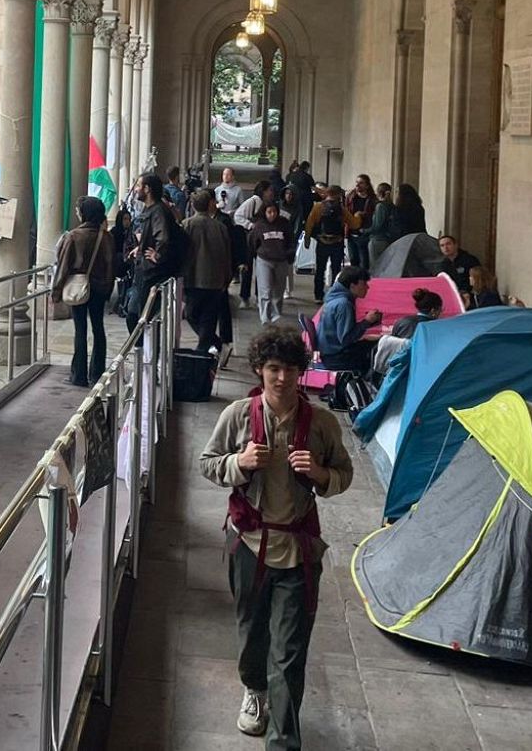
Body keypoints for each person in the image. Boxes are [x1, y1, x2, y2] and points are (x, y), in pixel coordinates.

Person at [198, 326, 354, 749]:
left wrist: (319, 474)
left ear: (302, 372)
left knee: (289, 650)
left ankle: (283, 740)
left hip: (298, 548)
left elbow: (344, 473)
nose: (282, 378)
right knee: (251, 630)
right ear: (259, 370)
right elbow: (208, 463)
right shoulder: (238, 415)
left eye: (290, 369)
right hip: (248, 542)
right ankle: (254, 689)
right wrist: (240, 462)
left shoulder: (321, 424)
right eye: (273, 368)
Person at [51, 197, 113, 386]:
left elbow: (63, 266)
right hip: (99, 288)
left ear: (85, 213)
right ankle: (97, 373)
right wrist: (108, 289)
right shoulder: (106, 237)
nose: (77, 213)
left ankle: (78, 375)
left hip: (78, 287)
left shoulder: (73, 236)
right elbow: (111, 265)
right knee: (98, 328)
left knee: (80, 329)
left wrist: (56, 292)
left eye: (79, 210)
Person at [124, 173, 180, 328]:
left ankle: (141, 343)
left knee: (137, 315)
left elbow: (163, 238)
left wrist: (158, 255)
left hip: (151, 273)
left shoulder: (157, 211)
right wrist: (141, 247)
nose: (135, 189)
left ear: (147, 189)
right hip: (146, 270)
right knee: (136, 313)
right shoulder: (153, 209)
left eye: (138, 186)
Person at [183, 189, 233, 361]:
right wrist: (227, 277)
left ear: (193, 205)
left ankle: (204, 350)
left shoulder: (187, 225)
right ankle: (210, 346)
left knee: (192, 314)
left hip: (193, 279)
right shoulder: (220, 227)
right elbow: (227, 255)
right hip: (215, 280)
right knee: (208, 318)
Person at [316, 266, 383, 372]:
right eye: (364, 284)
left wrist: (369, 323)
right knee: (380, 349)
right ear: (352, 286)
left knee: (373, 342)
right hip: (337, 357)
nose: (367, 287)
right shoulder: (344, 305)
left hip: (329, 353)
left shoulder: (333, 298)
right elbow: (346, 339)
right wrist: (367, 321)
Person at [248, 200, 295, 325]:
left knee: (279, 290)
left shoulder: (284, 224)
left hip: (281, 260)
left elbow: (290, 240)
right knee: (265, 290)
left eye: (274, 211)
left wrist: (289, 254)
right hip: (264, 260)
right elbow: (252, 242)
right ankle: (265, 317)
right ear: (264, 212)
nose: (272, 214)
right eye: (269, 212)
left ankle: (276, 314)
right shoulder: (259, 226)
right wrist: (255, 254)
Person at [233, 181, 274, 309]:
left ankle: (259, 296)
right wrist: (251, 225)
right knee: (248, 268)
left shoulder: (268, 204)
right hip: (250, 240)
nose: (271, 193)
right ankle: (245, 297)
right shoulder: (253, 202)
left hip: (261, 240)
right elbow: (238, 216)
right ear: (263, 191)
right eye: (269, 190)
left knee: (261, 269)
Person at [304, 185, 346, 302]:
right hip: (337, 242)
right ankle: (334, 294)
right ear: (338, 195)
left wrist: (307, 239)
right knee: (336, 269)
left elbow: (309, 223)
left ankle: (318, 295)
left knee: (320, 269)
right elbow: (353, 223)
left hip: (322, 241)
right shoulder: (341, 209)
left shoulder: (318, 207)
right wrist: (359, 216)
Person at [438, 235, 480, 303]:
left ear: (455, 245)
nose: (445, 247)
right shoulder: (443, 264)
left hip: (470, 297)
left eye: (448, 244)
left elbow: (478, 279)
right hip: (452, 296)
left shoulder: (469, 260)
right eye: (442, 245)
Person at [345, 174, 376, 269]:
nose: (357, 185)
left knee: (364, 262)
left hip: (364, 233)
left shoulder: (372, 199)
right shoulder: (351, 197)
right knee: (353, 260)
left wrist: (363, 214)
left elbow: (373, 215)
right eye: (357, 182)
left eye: (361, 183)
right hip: (351, 233)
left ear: (367, 185)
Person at [109, 207, 135, 316]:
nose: (127, 222)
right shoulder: (114, 233)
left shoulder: (132, 233)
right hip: (118, 262)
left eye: (129, 219)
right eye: (125, 219)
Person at [366, 183, 398, 267]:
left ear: (379, 193)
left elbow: (377, 226)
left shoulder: (380, 206)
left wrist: (364, 231)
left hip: (378, 240)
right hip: (389, 240)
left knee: (375, 267)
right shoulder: (392, 206)